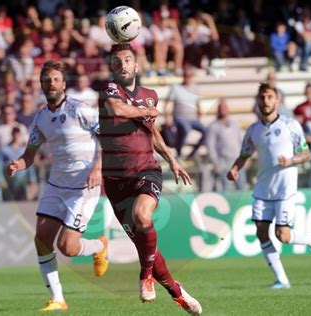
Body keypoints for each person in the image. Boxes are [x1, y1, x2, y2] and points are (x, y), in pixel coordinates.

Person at [98, 43, 202, 315]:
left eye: (128, 60)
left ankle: (144, 277)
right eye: (117, 61)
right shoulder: (109, 91)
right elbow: (118, 110)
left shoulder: (150, 95)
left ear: (136, 65)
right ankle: (176, 292)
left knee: (143, 216)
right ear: (112, 66)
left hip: (146, 169)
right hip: (115, 179)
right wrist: (147, 112)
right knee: (145, 246)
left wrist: (172, 160)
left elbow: (152, 133)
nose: (123, 65)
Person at [6, 60, 109, 312]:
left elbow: (107, 137)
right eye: (46, 79)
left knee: (68, 247)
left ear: (64, 84)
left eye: (55, 79)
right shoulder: (41, 117)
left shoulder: (79, 109)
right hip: (57, 185)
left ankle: (100, 246)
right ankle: (58, 299)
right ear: (41, 84)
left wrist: (97, 168)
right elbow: (29, 154)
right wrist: (18, 164)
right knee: (41, 240)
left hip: (84, 186)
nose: (50, 83)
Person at [227, 83, 311, 289]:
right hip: (263, 189)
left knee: (283, 236)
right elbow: (245, 153)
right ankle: (282, 279)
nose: (266, 101)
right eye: (263, 97)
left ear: (277, 100)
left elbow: (306, 153)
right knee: (261, 231)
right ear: (258, 100)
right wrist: (235, 168)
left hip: (285, 190)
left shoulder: (291, 125)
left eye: (270, 97)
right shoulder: (254, 130)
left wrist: (290, 161)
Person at [164, 66, 207, 160]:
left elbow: (197, 102)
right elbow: (168, 102)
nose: (188, 78)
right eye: (186, 76)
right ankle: (179, 152)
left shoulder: (195, 87)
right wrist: (167, 118)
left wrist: (199, 111)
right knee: (186, 129)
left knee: (207, 131)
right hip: (179, 117)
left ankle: (192, 153)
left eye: (189, 76)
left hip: (193, 118)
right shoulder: (176, 88)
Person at [206, 98, 245, 192]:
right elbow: (210, 146)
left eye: (224, 108)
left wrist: (244, 158)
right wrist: (216, 162)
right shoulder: (213, 126)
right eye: (220, 108)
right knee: (225, 189)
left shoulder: (235, 124)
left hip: (237, 160)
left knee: (242, 187)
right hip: (223, 161)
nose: (223, 110)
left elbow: (242, 141)